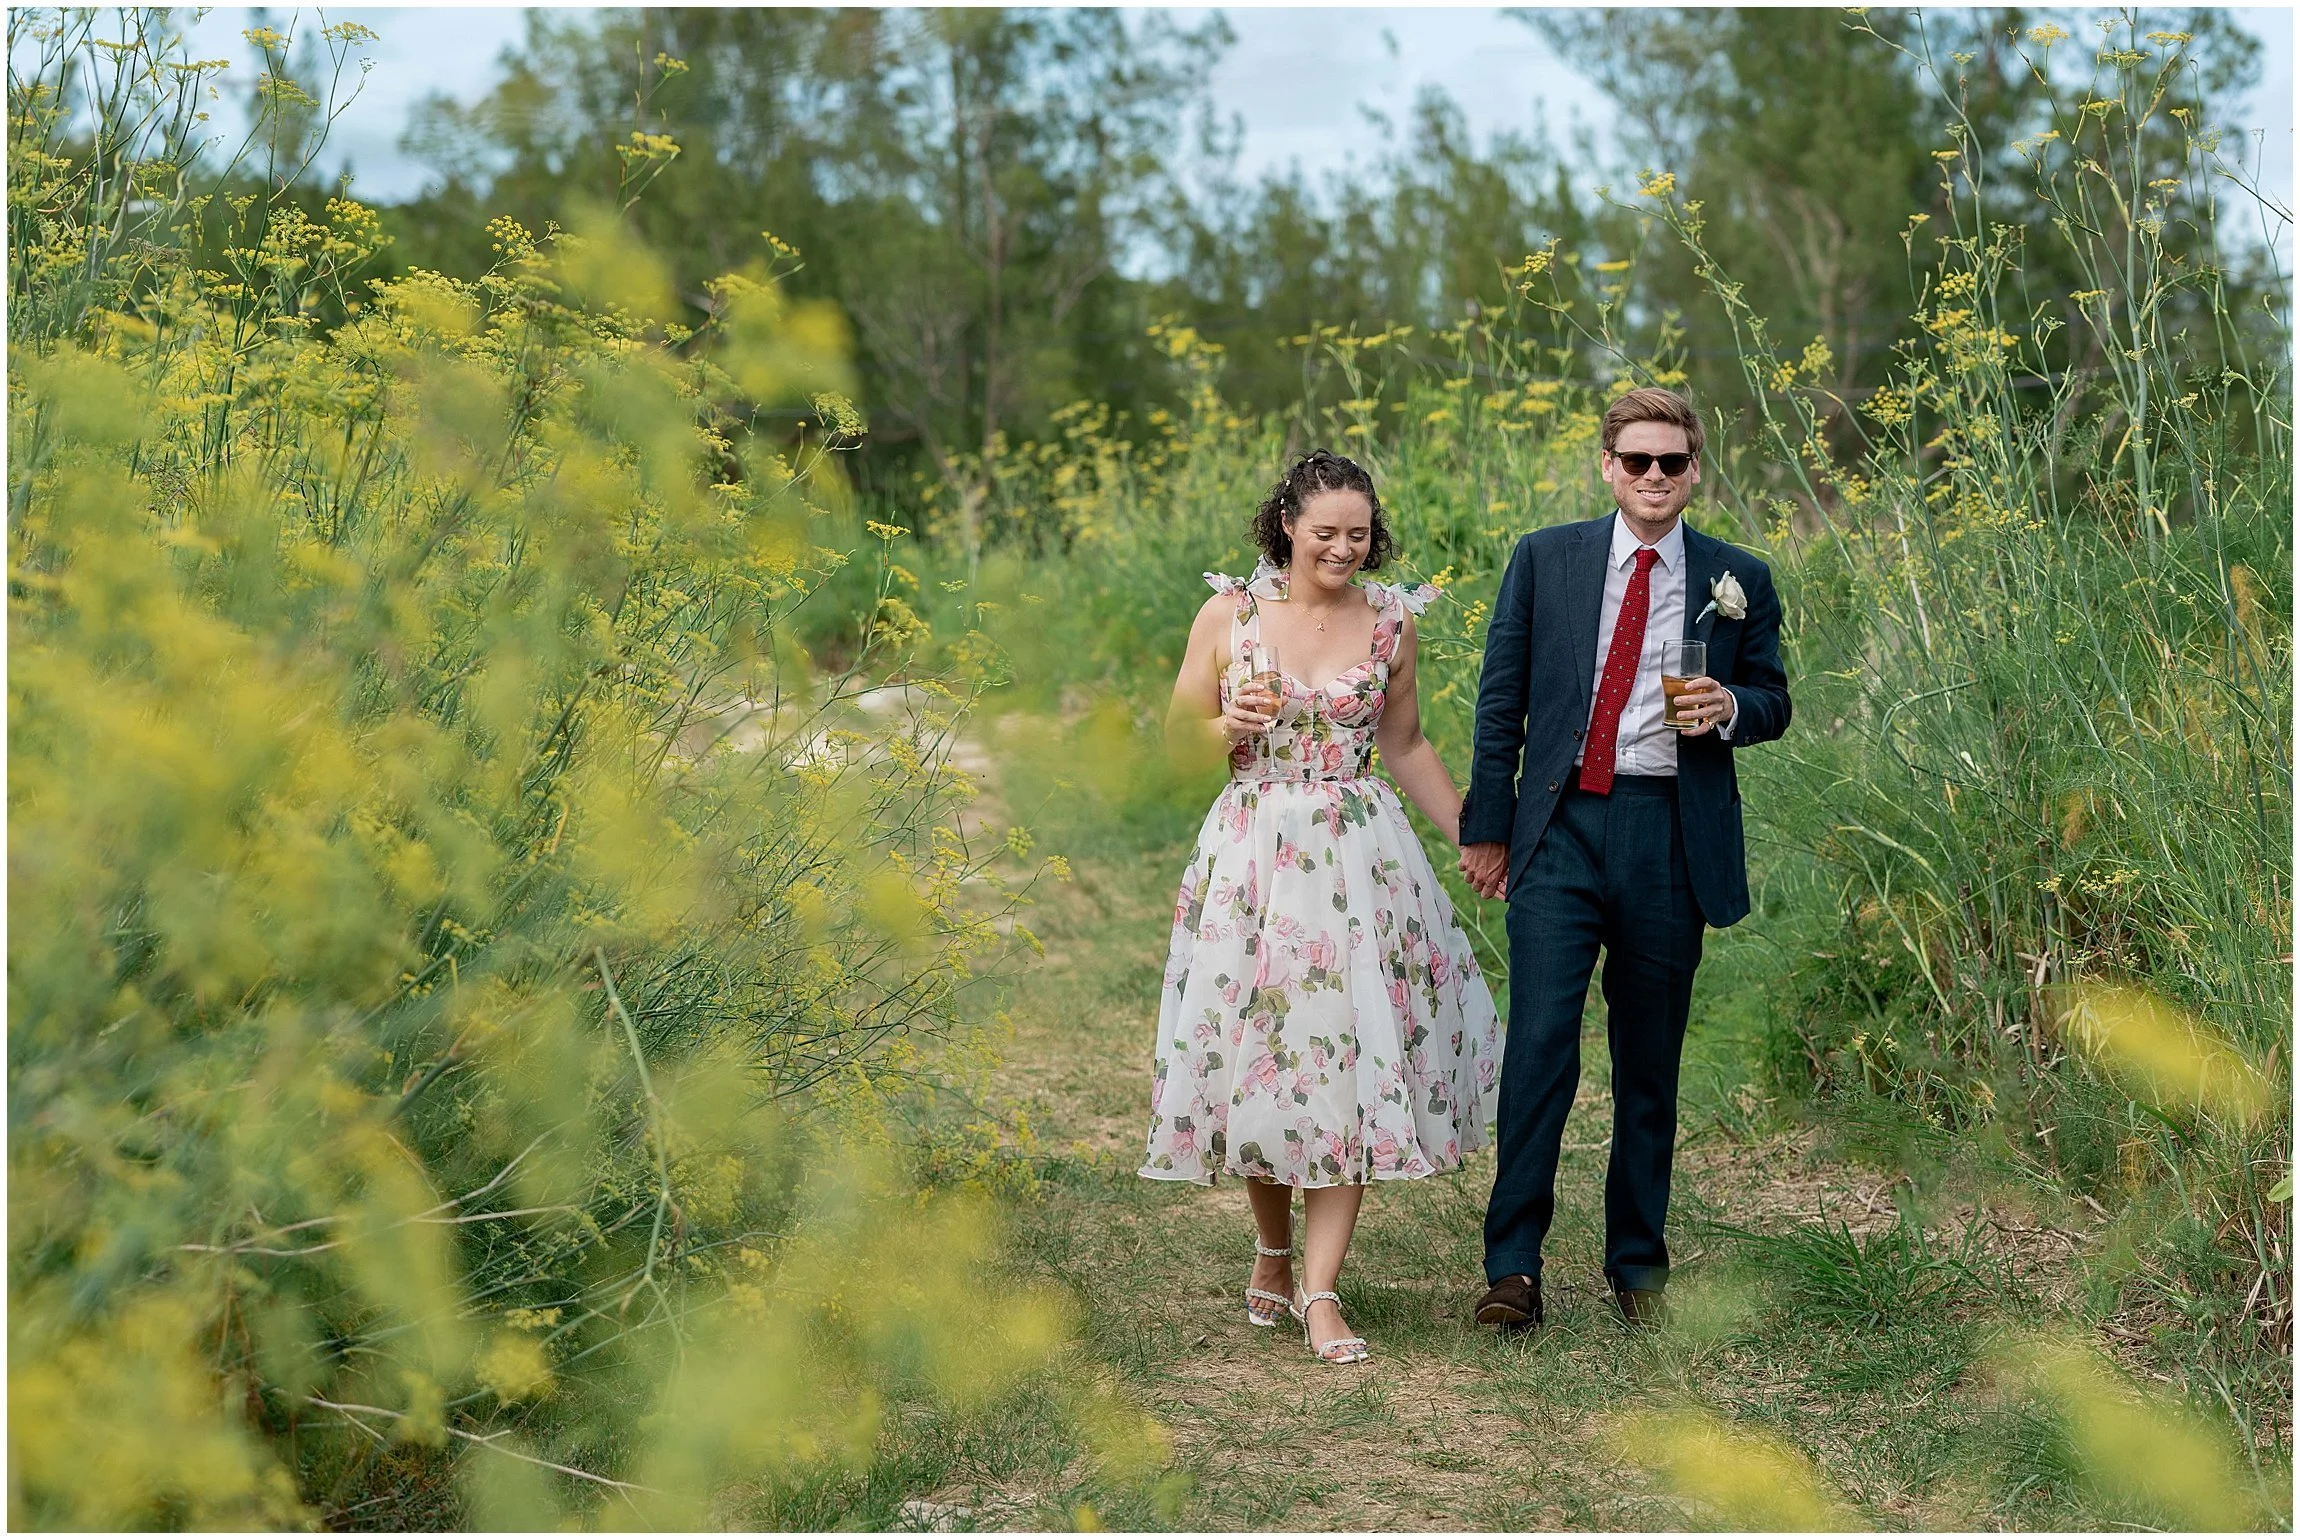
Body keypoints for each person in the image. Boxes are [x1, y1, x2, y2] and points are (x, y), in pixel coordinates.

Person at [1141, 449, 1505, 1366]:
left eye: (1359, 533)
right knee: (1258, 1055)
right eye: (1326, 532)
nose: (1345, 548)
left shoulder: (1391, 626)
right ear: (1287, 527)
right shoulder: (1230, 617)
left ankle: (1321, 1290)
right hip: (1253, 855)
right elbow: (1171, 745)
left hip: (1357, 857)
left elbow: (1408, 743)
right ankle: (1270, 1249)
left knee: (1345, 1056)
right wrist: (1229, 728)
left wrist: (1473, 832)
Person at [1457, 387, 1790, 1333]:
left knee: (1650, 1062)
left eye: (1672, 463)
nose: (1654, 477)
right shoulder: (1545, 559)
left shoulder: (1739, 577)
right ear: (1607, 466)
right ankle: (1512, 1265)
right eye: (1637, 461)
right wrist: (1490, 828)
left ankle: (1637, 1265)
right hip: (1561, 826)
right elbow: (1501, 702)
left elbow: (1775, 698)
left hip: (1669, 834)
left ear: (1695, 474)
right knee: (1539, 1049)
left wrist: (1729, 707)